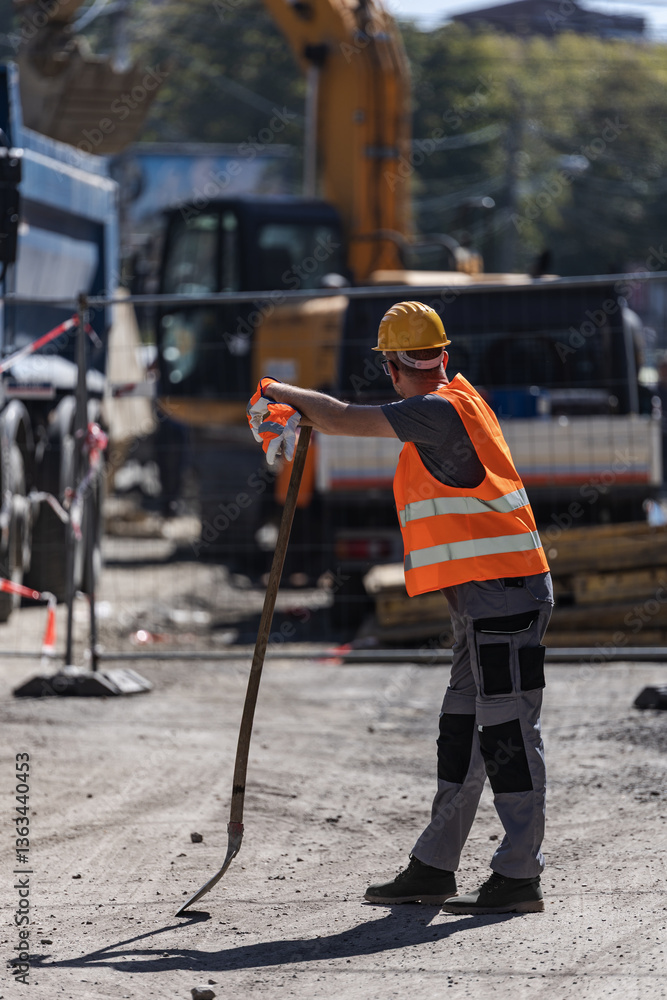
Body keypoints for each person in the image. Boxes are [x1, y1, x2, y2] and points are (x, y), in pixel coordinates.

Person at [248, 300, 553, 915]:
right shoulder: (452, 402)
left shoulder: (440, 413)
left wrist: (272, 390)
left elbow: (340, 416)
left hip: (504, 599)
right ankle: (435, 866)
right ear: (442, 354)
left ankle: (519, 875)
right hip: (485, 601)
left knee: (508, 736)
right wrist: (294, 414)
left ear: (390, 364)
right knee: (461, 733)